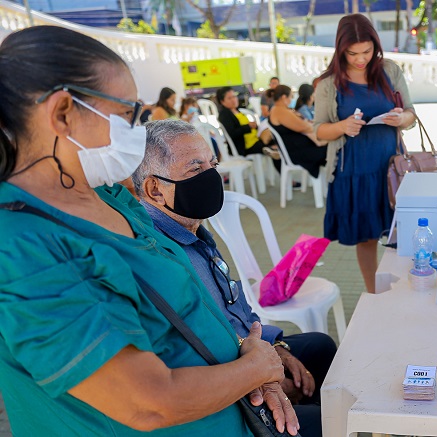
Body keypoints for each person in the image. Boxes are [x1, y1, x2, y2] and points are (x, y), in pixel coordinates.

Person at [0, 26, 299, 435]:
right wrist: (254, 368)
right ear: (63, 113)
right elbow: (149, 403)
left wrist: (250, 358)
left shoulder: (106, 195)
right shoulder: (20, 248)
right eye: (126, 115)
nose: (136, 131)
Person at [132, 120, 337, 437]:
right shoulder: (163, 257)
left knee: (320, 347)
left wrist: (275, 348)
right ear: (154, 189)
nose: (212, 177)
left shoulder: (193, 231)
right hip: (225, 388)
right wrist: (263, 374)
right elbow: (208, 349)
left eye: (212, 165)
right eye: (195, 169)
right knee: (325, 423)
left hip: (250, 356)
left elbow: (236, 309)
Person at [314, 14, 416, 293]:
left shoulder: (390, 70)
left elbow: (411, 113)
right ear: (340, 49)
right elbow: (319, 131)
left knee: (404, 234)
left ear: (375, 45)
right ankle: (375, 293)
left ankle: (410, 288)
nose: (361, 59)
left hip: (391, 168)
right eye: (353, 53)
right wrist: (342, 126)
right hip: (354, 171)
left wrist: (401, 118)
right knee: (367, 238)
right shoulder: (328, 83)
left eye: (367, 51)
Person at [268, 85, 328, 177]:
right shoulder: (280, 111)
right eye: (291, 96)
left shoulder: (279, 110)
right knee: (334, 148)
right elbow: (304, 127)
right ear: (284, 97)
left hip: (299, 148)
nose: (292, 99)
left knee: (332, 146)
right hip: (299, 152)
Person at [216, 86, 272, 157]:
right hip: (245, 147)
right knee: (273, 146)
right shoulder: (224, 115)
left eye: (234, 96)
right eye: (229, 98)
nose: (234, 100)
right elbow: (232, 133)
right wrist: (248, 126)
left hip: (255, 140)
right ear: (222, 101)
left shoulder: (237, 111)